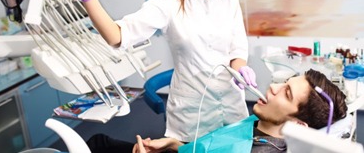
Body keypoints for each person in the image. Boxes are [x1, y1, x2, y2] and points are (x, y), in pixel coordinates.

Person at [50, 0, 257, 142]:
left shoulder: (229, 0)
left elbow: (236, 50)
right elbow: (116, 36)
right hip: (191, 118)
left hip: (232, 110)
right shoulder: (168, 3)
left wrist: (241, 68)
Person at [127, 69, 347, 153]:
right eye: (284, 82)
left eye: (286, 93)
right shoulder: (261, 124)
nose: (273, 87)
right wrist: (174, 145)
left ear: (298, 124)